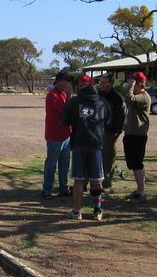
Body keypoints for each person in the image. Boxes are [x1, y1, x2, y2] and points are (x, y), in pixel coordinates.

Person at [61, 75, 111, 221]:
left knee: (78, 179)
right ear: (92, 85)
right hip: (96, 144)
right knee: (96, 179)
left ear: (79, 86)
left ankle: (77, 211)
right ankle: (97, 211)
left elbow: (64, 121)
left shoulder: (74, 101)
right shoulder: (102, 101)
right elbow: (108, 121)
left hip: (79, 143)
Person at [41, 70, 73, 199]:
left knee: (65, 163)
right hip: (54, 135)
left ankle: (63, 187)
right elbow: (65, 110)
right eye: (66, 81)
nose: (68, 84)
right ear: (60, 82)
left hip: (66, 135)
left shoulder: (63, 94)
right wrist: (70, 96)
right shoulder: (53, 95)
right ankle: (47, 189)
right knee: (52, 163)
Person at [123, 72, 151, 201]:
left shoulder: (144, 97)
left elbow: (129, 99)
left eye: (133, 83)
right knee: (133, 164)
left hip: (138, 135)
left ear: (139, 84)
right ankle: (140, 189)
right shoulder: (137, 95)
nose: (130, 85)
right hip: (131, 134)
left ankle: (142, 191)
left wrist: (130, 86)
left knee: (137, 163)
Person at [97, 72, 126, 191]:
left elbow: (121, 117)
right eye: (100, 82)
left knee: (107, 157)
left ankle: (106, 182)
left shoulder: (117, 98)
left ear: (110, 84)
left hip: (110, 133)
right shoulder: (97, 95)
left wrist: (116, 132)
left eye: (104, 83)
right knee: (95, 156)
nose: (101, 85)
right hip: (96, 131)